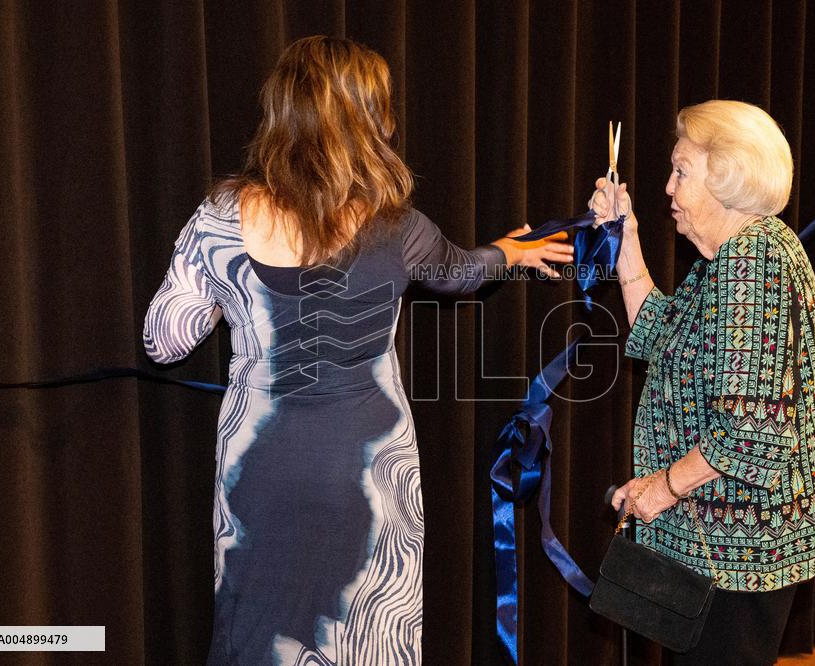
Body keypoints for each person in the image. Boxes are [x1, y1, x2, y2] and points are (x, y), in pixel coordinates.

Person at [143, 36, 573, 664]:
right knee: (370, 640)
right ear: (366, 122)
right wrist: (511, 253)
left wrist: (224, 291)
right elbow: (461, 271)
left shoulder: (219, 219)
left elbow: (164, 340)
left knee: (262, 641)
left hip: (261, 481)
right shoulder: (400, 226)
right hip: (375, 483)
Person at [592, 100, 815, 665]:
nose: (668, 186)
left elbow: (748, 431)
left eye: (681, 170)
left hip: (744, 544)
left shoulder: (750, 266)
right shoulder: (740, 254)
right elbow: (658, 331)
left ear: (727, 177)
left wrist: (660, 488)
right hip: (728, 540)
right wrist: (626, 237)